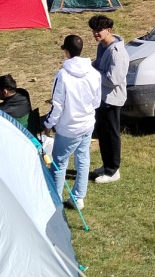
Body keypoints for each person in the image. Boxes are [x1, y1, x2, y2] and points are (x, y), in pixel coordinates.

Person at [43, 35, 101, 210]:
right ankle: (78, 198)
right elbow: (97, 101)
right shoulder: (94, 73)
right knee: (83, 159)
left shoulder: (62, 75)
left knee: (59, 163)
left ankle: (55, 199)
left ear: (67, 52)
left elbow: (57, 105)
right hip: (87, 124)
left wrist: (48, 124)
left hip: (68, 129)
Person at [89, 15, 127, 184]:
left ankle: (113, 170)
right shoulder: (101, 46)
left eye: (99, 30)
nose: (96, 34)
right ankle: (106, 165)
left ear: (109, 30)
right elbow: (98, 65)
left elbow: (113, 80)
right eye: (94, 30)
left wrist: (94, 74)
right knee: (103, 135)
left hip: (112, 99)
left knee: (111, 135)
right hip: (101, 98)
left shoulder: (117, 52)